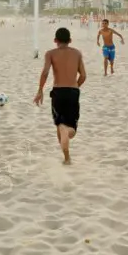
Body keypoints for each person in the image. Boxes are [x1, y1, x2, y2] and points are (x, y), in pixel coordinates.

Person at [33, 27, 86, 164]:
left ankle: (66, 157)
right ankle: (67, 134)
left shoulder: (50, 54)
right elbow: (83, 76)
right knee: (71, 128)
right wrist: (75, 87)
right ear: (70, 40)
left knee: (60, 124)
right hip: (73, 92)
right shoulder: (77, 53)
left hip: (58, 92)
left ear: (55, 40)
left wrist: (40, 90)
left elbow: (45, 72)